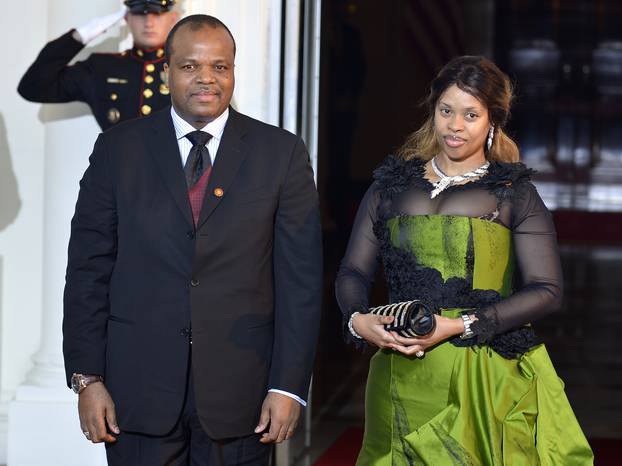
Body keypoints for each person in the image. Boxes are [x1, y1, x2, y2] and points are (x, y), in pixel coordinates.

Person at [62, 14, 322, 466]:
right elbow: (88, 269)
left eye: (220, 66)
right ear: (167, 72)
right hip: (135, 395)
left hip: (242, 398)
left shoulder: (281, 154)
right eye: (190, 66)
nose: (206, 78)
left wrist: (288, 386)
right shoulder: (118, 150)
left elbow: (300, 284)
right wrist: (88, 379)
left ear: (234, 72)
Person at [335, 56, 593, 465]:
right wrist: (358, 320)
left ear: (493, 121)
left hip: (478, 371)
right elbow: (352, 271)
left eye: (471, 114)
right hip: (397, 369)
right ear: (432, 112)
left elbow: (547, 291)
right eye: (446, 111)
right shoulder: (390, 186)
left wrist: (459, 325)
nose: (455, 125)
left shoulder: (515, 194)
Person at [18, 0, 179, 130]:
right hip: (116, 169)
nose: (149, 22)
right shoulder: (103, 68)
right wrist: (80, 35)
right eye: (139, 13)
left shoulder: (186, 69)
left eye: (157, 13)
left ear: (173, 18)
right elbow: (33, 87)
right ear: (126, 17)